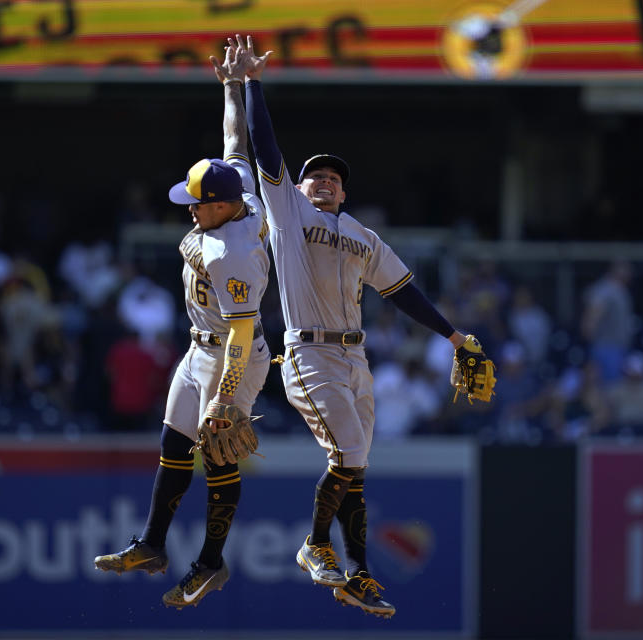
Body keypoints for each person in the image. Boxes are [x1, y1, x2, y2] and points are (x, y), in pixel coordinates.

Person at [236, 34, 480, 618]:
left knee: (355, 471)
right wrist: (251, 83)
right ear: (296, 189)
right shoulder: (289, 215)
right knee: (347, 457)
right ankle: (315, 545)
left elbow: (404, 294)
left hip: (356, 359)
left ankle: (361, 572)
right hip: (309, 355)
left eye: (334, 179)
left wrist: (453, 336)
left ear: (346, 193)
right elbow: (265, 149)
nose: (324, 181)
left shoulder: (364, 238)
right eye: (315, 176)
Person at [93, 43, 271, 610]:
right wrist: (230, 86)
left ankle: (210, 564)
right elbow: (235, 142)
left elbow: (242, 332)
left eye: (196, 203)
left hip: (233, 355)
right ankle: (152, 544)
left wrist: (225, 396)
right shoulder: (235, 188)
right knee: (174, 447)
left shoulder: (232, 251)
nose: (189, 208)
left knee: (217, 454)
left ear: (221, 207)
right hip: (200, 348)